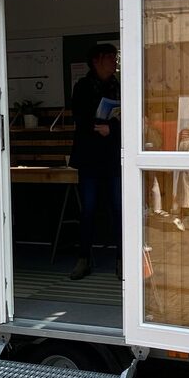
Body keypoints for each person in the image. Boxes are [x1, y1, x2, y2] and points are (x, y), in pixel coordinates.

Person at [68, 44, 121, 280]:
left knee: (120, 209)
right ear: (97, 61)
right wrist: (96, 126)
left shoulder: (118, 85)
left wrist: (112, 128)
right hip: (90, 157)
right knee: (88, 210)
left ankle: (122, 260)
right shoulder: (82, 86)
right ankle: (84, 259)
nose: (114, 62)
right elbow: (78, 117)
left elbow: (128, 115)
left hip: (113, 157)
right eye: (110, 58)